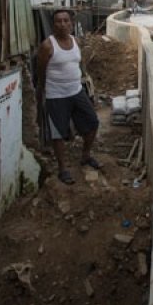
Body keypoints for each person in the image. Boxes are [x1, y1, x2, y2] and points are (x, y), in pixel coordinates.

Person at [36, 10, 100, 184]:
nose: (62, 24)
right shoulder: (48, 46)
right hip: (56, 95)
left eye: (65, 21)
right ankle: (62, 169)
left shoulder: (75, 41)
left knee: (93, 122)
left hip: (77, 91)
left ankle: (85, 155)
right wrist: (43, 90)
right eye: (58, 21)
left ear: (71, 23)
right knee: (59, 134)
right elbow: (40, 71)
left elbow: (79, 63)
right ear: (53, 24)